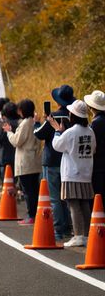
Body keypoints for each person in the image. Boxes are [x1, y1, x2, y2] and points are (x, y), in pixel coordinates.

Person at [49, 100, 95, 247]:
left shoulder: (71, 132)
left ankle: (78, 235)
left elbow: (57, 145)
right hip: (86, 172)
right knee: (84, 204)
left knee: (73, 204)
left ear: (73, 115)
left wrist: (57, 131)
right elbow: (93, 149)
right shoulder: (90, 131)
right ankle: (87, 234)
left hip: (72, 173)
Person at [34, 85, 74, 240]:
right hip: (67, 160)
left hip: (51, 161)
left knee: (54, 198)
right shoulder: (74, 116)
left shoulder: (54, 116)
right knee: (65, 198)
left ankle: (57, 229)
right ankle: (67, 227)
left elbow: (39, 134)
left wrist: (39, 122)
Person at [4, 99, 42, 225]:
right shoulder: (35, 122)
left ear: (22, 110)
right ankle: (35, 214)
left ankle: (31, 215)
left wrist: (9, 132)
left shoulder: (25, 123)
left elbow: (16, 141)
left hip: (26, 162)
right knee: (34, 189)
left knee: (28, 191)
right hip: (35, 160)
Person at [85, 90, 105, 197]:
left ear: (91, 107)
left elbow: (93, 145)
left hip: (97, 166)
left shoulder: (95, 123)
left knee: (98, 197)